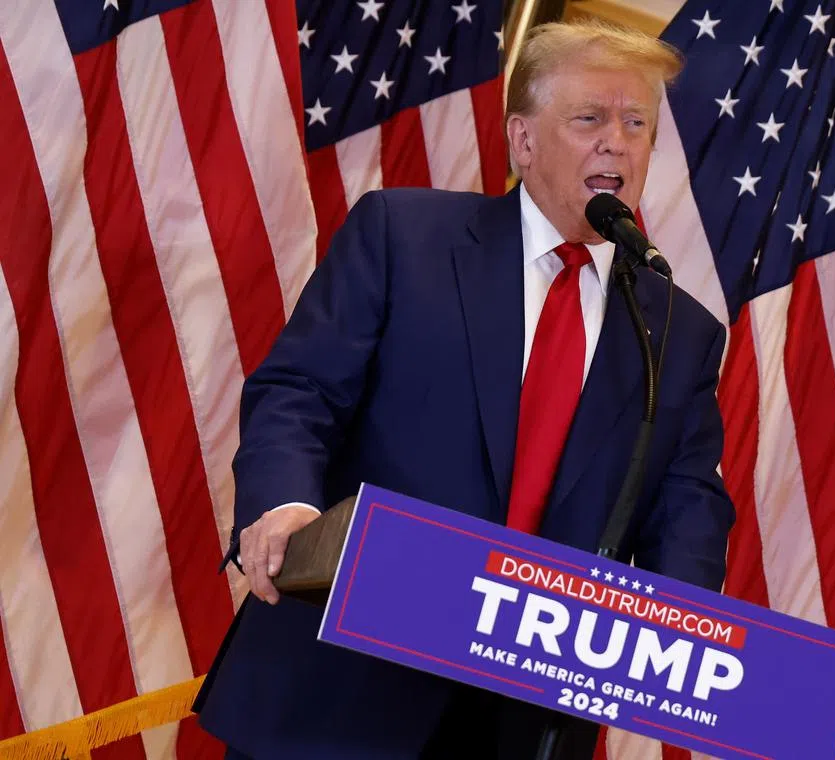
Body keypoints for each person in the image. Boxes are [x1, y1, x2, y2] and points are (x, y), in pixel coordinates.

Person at [193, 18, 735, 760]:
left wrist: (688, 634)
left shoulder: (680, 331)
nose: (618, 140)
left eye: (636, 122)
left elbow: (688, 507)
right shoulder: (403, 238)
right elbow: (298, 393)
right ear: (523, 140)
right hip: (335, 689)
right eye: (590, 118)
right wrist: (288, 507)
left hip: (519, 726)